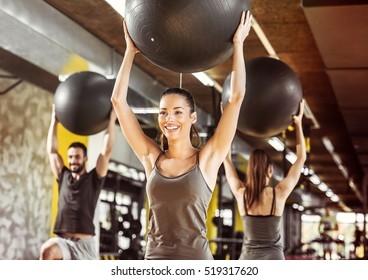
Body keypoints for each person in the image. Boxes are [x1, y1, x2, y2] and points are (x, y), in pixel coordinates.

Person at [111, 11, 252, 260]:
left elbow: (237, 97)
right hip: (154, 260)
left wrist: (238, 43)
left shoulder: (207, 160)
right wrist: (130, 51)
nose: (170, 119)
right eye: (164, 112)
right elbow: (118, 101)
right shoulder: (150, 158)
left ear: (192, 118)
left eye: (178, 112)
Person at [223, 99, 306, 260]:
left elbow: (225, 157)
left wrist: (227, 118)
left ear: (249, 170)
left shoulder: (242, 194)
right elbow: (301, 158)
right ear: (270, 170)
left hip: (248, 260)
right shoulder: (279, 193)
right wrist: (298, 123)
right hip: (274, 258)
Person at [39, 106, 117, 260]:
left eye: (77, 157)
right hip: (63, 241)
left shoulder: (94, 178)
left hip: (84, 245)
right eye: (70, 157)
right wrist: (54, 122)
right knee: (46, 251)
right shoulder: (63, 176)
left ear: (85, 159)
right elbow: (52, 151)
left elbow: (106, 151)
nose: (72, 161)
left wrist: (112, 120)